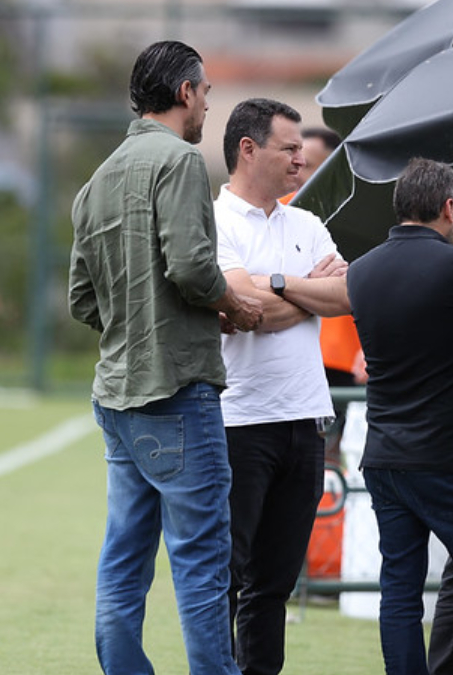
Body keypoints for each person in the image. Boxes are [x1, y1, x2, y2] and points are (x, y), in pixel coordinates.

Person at [68, 40, 262, 675]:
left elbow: (80, 298)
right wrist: (233, 305)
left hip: (117, 396)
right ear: (184, 94)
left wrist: (132, 323)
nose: (208, 102)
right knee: (203, 563)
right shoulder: (179, 161)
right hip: (176, 392)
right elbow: (189, 266)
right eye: (205, 91)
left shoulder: (94, 182)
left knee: (123, 560)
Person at [213, 98, 352, 675]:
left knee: (274, 584)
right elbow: (243, 309)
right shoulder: (212, 221)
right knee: (226, 580)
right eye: (289, 149)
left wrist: (273, 287)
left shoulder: (307, 222)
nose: (301, 160)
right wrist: (301, 292)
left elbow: (347, 295)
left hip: (304, 421)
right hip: (237, 424)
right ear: (249, 150)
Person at [347, 158, 453, 675]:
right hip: (445, 457)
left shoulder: (363, 270)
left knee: (399, 589)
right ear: (448, 208)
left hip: (384, 456)